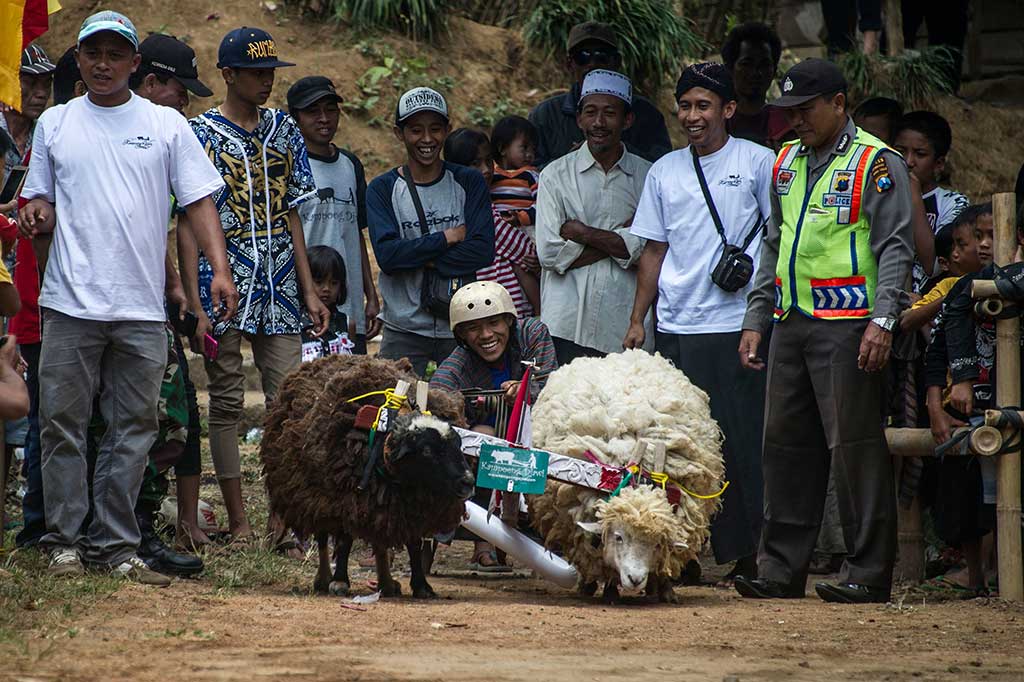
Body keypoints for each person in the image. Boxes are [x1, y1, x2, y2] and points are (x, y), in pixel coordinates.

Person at [18, 11, 237, 583]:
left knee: (133, 429)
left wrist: (218, 270)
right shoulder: (57, 124)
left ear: (134, 64)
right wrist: (36, 211)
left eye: (116, 55)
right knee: (62, 425)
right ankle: (63, 540)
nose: (104, 64)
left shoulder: (166, 127)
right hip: (69, 302)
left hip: (140, 308)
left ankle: (115, 546)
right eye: (94, 53)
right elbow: (36, 197)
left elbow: (198, 203)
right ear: (82, 58)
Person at [735, 58, 914, 604]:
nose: (795, 120)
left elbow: (896, 247)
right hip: (791, 322)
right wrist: (755, 318)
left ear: (839, 103)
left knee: (854, 449)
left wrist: (883, 323)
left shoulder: (876, 163)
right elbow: (773, 244)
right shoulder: (785, 161)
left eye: (805, 109)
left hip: (849, 325)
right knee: (784, 448)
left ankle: (868, 571)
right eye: (788, 111)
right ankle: (781, 569)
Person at [178, 27, 329, 549]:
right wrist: (194, 301)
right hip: (222, 285)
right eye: (257, 73)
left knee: (289, 403)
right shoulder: (199, 134)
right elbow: (188, 219)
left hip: (282, 284)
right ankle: (240, 521)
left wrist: (309, 289)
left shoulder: (285, 129)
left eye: (271, 73)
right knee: (223, 401)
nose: (267, 82)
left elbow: (292, 214)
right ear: (228, 75)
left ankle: (285, 519)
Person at [624, 63, 773, 586]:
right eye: (685, 105)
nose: (692, 116)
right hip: (677, 325)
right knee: (678, 445)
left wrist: (765, 308)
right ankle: (683, 553)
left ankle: (751, 552)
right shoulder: (664, 171)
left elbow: (778, 241)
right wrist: (638, 320)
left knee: (739, 440)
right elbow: (654, 250)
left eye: (703, 105)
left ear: (728, 109)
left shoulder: (760, 163)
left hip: (737, 323)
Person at [125, 32, 215, 573]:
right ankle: (112, 531)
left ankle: (137, 527)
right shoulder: (103, 127)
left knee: (171, 417)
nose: (185, 102)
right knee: (128, 420)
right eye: (180, 89)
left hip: (150, 305)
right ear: (152, 81)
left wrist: (177, 287)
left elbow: (169, 219)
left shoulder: (164, 135)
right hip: (97, 306)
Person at [366, 87, 494, 376]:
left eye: (435, 129)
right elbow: (387, 257)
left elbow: (483, 251)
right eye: (415, 130)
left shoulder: (469, 182)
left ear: (447, 130)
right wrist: (446, 238)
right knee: (393, 408)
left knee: (465, 407)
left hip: (462, 324)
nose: (426, 139)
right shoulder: (382, 189)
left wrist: (416, 255)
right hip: (403, 327)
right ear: (399, 133)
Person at [430, 280, 557, 569]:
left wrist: (526, 392)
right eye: (473, 328)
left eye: (494, 323)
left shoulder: (532, 335)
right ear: (461, 335)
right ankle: (483, 538)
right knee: (484, 439)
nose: (486, 335)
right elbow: (438, 397)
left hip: (537, 437)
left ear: (509, 322)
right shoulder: (456, 366)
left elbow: (552, 382)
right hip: (487, 452)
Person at [535, 69, 653, 365]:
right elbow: (549, 253)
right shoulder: (554, 176)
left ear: (627, 120)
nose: (599, 123)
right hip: (565, 323)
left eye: (609, 113)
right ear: (579, 119)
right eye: (591, 112)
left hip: (624, 325)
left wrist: (582, 233)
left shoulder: (650, 176)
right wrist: (622, 239)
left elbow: (650, 250)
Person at [923, 204, 997, 596]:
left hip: (1009, 404)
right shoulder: (959, 289)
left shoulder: (1011, 282)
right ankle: (975, 576)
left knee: (1004, 500)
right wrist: (938, 401)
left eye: (992, 235)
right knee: (966, 496)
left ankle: (1002, 570)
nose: (985, 245)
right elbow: (936, 349)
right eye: (978, 237)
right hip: (967, 407)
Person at [288, 75, 381, 354]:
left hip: (348, 307)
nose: (324, 118)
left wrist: (370, 296)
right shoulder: (289, 168)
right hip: (305, 309)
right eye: (313, 112)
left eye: (330, 109)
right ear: (295, 118)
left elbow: (355, 234)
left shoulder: (350, 165)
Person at [528, 21, 670, 167]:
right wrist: (571, 162)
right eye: (583, 57)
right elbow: (528, 170)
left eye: (602, 56)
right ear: (570, 64)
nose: (592, 64)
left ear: (616, 61)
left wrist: (616, 150)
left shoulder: (646, 113)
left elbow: (664, 168)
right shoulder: (545, 115)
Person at [443, 127, 540, 318]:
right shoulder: (478, 208)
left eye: (488, 161)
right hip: (500, 303)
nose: (486, 170)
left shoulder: (461, 202)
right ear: (456, 167)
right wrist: (539, 258)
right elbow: (522, 250)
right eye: (475, 163)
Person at [721, 22, 793, 150]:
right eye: (746, 64)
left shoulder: (787, 124)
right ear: (730, 68)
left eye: (764, 65)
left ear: (774, 70)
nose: (756, 72)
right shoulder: (717, 123)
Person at [301, 245, 355, 361]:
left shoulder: (346, 323)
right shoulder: (296, 325)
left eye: (334, 283)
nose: (326, 288)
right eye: (319, 282)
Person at [490, 115, 540, 238]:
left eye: (533, 149)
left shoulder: (531, 175)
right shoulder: (491, 176)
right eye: (524, 148)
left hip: (527, 230)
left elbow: (542, 204)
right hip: (498, 231)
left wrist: (520, 218)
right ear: (502, 149)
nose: (530, 154)